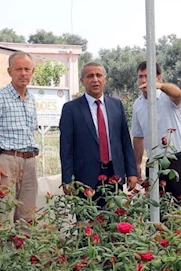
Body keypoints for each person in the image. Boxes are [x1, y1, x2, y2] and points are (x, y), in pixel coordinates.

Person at [59, 62, 138, 201]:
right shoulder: (71, 109)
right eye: (90, 76)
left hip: (114, 175)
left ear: (105, 79)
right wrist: (67, 179)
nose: (95, 80)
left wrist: (132, 172)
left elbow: (125, 141)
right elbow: (66, 147)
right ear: (82, 81)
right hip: (85, 178)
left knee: (114, 214)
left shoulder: (116, 105)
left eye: (98, 75)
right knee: (87, 215)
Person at [0, 51, 39, 223]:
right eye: (18, 69)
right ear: (9, 71)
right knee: (3, 216)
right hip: (6, 162)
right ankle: (3, 244)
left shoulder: (31, 99)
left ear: (32, 71)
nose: (23, 73)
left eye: (27, 69)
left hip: (29, 161)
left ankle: (24, 243)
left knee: (28, 218)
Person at [131, 61, 181, 198]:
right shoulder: (138, 104)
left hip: (178, 160)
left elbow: (178, 94)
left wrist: (159, 86)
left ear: (158, 78)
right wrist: (137, 164)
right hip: (154, 163)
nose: (144, 80)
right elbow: (138, 137)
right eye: (141, 76)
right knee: (156, 205)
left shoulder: (168, 97)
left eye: (148, 76)